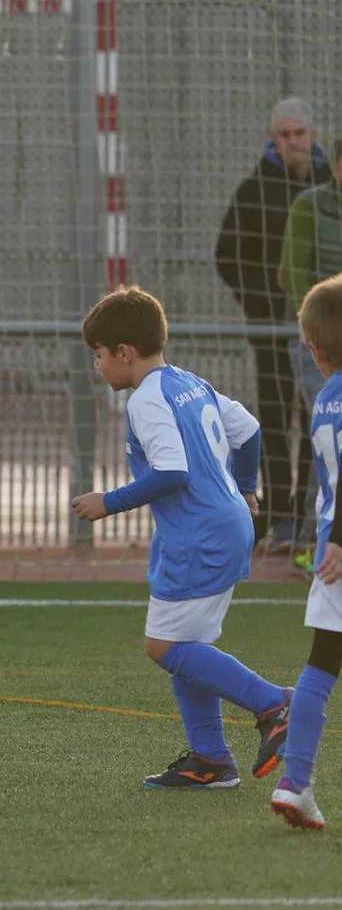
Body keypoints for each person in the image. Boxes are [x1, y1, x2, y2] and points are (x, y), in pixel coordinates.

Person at [71, 286, 290, 789]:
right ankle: (211, 760)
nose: (98, 367)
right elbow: (249, 430)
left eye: (99, 357)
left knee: (164, 645)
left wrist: (109, 501)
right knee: (187, 644)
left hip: (200, 535)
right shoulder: (189, 382)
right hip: (222, 524)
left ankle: (275, 703)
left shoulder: (146, 401)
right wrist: (249, 491)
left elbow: (171, 470)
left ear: (123, 352)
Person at [215, 97, 331, 554]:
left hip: (322, 331)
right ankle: (279, 519)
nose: (293, 143)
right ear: (273, 139)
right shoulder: (254, 190)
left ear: (313, 136)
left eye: (299, 134)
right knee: (276, 424)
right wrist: (260, 303)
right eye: (283, 135)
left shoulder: (329, 186)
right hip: (272, 330)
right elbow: (226, 256)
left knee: (319, 418)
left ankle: (308, 520)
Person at [269, 273, 342, 830]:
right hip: (337, 544)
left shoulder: (322, 402)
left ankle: (294, 783)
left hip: (329, 559)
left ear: (313, 350)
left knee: (322, 665)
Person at [276, 135, 342, 570]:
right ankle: (311, 544)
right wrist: (323, 325)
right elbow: (291, 273)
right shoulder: (309, 207)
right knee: (323, 432)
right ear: (336, 166)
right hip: (322, 340)